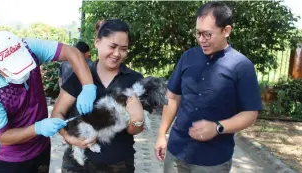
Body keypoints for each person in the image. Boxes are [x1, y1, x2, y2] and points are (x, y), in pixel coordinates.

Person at [154, 2, 262, 173]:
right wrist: (161, 135)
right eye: (198, 33)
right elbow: (173, 97)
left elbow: (250, 114)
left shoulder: (242, 66)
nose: (201, 39)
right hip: (176, 151)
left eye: (207, 34)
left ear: (226, 31)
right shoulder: (188, 57)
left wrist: (218, 127)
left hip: (213, 160)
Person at [0, 31, 97, 173]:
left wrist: (88, 86)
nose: (24, 74)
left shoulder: (27, 47)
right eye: (16, 71)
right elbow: (2, 136)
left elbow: (71, 52)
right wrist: (38, 128)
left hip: (42, 147)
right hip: (12, 159)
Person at [51, 19, 145, 173]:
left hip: (117, 164)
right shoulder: (81, 75)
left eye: (123, 49)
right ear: (97, 42)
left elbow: (133, 130)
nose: (117, 54)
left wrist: (138, 119)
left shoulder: (134, 80)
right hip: (76, 164)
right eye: (112, 46)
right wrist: (69, 138)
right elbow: (57, 112)